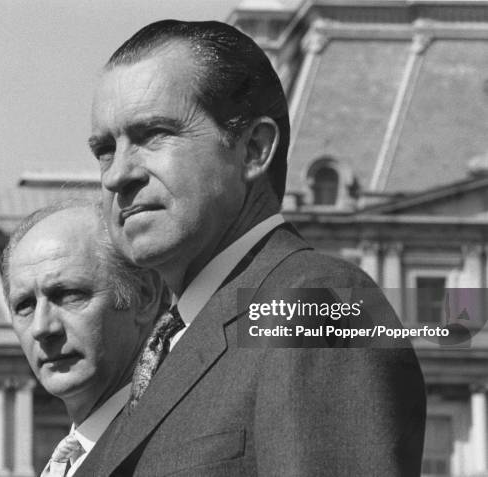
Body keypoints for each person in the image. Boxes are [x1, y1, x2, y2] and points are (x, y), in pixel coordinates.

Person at [82, 19, 427, 476]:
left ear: (254, 150)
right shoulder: (165, 344)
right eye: (105, 149)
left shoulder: (314, 304)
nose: (115, 175)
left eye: (153, 134)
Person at [1, 201, 162, 477]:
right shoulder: (66, 461)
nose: (42, 327)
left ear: (143, 295)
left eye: (69, 295)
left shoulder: (183, 439)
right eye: (24, 305)